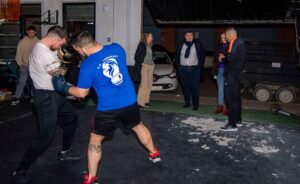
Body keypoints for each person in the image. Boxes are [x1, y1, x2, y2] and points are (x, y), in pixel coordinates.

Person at [51, 31, 161, 184]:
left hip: (108, 109)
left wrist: (63, 87)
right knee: (138, 126)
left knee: (95, 141)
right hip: (129, 102)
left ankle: (91, 178)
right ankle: (154, 153)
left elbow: (82, 94)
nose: (79, 54)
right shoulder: (117, 48)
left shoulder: (87, 65)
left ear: (82, 49)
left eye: (78, 51)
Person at [11, 26, 79, 184]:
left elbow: (58, 79)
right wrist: (74, 90)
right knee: (45, 136)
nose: (61, 47)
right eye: (60, 43)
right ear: (54, 39)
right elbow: (59, 79)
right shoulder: (44, 54)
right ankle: (19, 171)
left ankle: (65, 151)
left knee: (71, 118)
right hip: (46, 97)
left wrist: (62, 55)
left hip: (55, 95)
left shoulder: (43, 46)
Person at [220, 27, 246, 131]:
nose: (225, 37)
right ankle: (238, 120)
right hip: (238, 75)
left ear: (230, 34)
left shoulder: (234, 42)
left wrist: (223, 57)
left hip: (232, 76)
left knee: (230, 99)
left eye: (226, 35)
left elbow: (230, 58)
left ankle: (232, 124)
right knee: (236, 98)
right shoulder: (240, 42)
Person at [175, 31, 205, 110]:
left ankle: (196, 105)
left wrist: (199, 67)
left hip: (195, 70)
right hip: (183, 70)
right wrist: (179, 67)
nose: (189, 37)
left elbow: (202, 56)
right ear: (184, 36)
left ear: (193, 36)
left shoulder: (198, 44)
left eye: (191, 35)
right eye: (187, 35)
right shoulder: (180, 44)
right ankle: (187, 103)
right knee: (185, 88)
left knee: (195, 88)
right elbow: (177, 56)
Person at [11, 26, 39, 105]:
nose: (31, 34)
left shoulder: (38, 42)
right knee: (21, 81)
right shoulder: (22, 42)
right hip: (24, 65)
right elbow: (18, 54)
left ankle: (34, 97)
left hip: (34, 66)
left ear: (35, 33)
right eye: (30, 32)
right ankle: (16, 97)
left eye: (33, 32)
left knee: (35, 82)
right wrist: (20, 64)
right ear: (27, 32)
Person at [134, 32, 155, 108]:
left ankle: (146, 101)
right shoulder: (142, 45)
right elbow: (136, 56)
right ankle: (139, 103)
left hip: (151, 66)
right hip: (145, 66)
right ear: (145, 37)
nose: (151, 38)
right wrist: (141, 63)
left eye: (151, 36)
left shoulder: (150, 46)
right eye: (149, 36)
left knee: (149, 85)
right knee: (144, 85)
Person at [212, 33, 228, 115]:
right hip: (219, 70)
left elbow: (231, 58)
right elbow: (215, 58)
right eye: (221, 37)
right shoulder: (219, 47)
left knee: (227, 90)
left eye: (224, 37)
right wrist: (218, 58)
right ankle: (220, 107)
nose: (222, 38)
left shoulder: (230, 46)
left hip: (227, 71)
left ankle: (228, 108)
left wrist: (224, 57)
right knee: (220, 90)